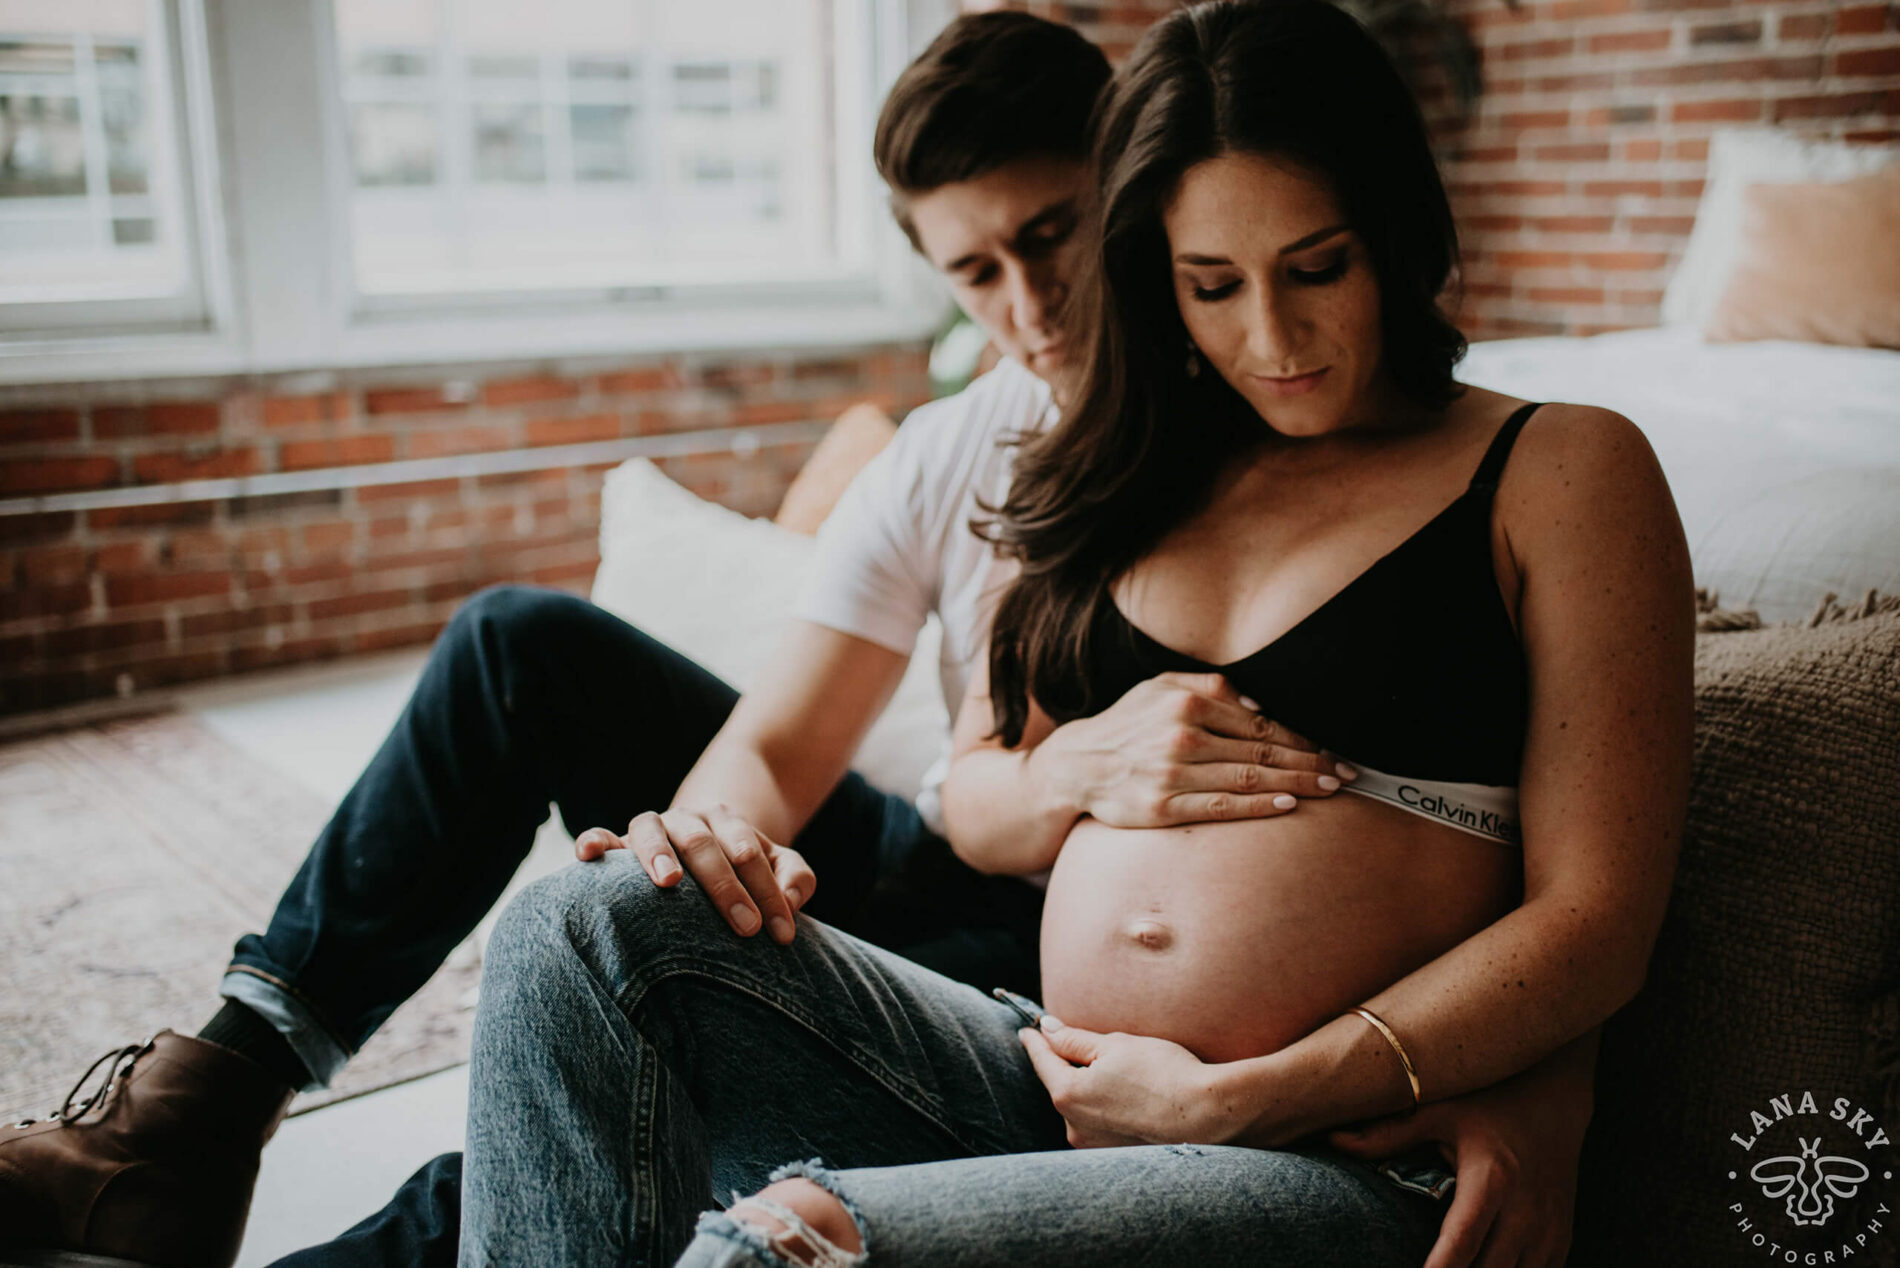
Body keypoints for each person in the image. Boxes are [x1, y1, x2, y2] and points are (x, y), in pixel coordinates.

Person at [3, 12, 1599, 1268]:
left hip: (1094, 994)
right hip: (978, 917)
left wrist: (1526, 1073)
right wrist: (714, 859)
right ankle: (198, 1111)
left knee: (590, 1139)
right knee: (555, 789)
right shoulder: (1000, 455)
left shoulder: (1435, 457)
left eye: (1053, 238)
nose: (1030, 303)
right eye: (974, 271)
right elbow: (857, 753)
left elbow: (1555, 851)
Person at [453, 2, 1694, 1266]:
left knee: (792, 1246)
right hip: (1050, 1075)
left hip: (1346, 1147)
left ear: (1393, 228)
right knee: (578, 927)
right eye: (1213, 286)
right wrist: (713, 838)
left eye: (1316, 267)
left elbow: (1598, 913)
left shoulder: (1559, 469)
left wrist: (1253, 1096)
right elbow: (979, 777)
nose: (1271, 339)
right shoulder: (1115, 470)